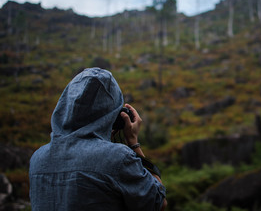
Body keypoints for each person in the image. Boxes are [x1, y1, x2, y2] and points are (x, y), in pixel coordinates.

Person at [29, 67, 167, 211]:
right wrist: (133, 141)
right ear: (116, 116)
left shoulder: (37, 159)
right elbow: (157, 202)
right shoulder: (117, 158)